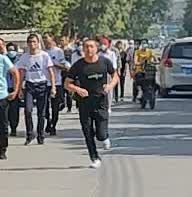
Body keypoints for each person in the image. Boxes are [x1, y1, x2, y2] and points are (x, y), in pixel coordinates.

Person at [65, 37, 118, 168]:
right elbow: (67, 83)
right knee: (88, 132)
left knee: (100, 134)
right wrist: (78, 89)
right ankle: (94, 158)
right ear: (83, 49)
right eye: (86, 47)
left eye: (91, 46)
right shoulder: (78, 65)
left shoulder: (104, 62)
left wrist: (110, 86)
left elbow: (115, 76)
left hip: (101, 101)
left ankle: (104, 137)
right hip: (84, 103)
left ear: (96, 48)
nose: (89, 49)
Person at [14, 34, 54, 145]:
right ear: (27, 44)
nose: (32, 44)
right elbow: (21, 73)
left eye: (34, 42)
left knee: (41, 113)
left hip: (42, 85)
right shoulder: (24, 57)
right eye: (30, 42)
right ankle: (30, 134)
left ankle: (40, 135)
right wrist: (19, 89)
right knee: (28, 110)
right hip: (30, 85)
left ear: (38, 43)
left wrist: (53, 87)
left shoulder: (44, 55)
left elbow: (50, 71)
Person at [46, 34, 68, 132]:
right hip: (44, 82)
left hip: (56, 82)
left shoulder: (58, 51)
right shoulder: (42, 52)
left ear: (52, 38)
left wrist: (53, 64)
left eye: (47, 37)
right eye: (43, 38)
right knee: (44, 106)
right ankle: (48, 121)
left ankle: (53, 125)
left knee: (55, 106)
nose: (45, 40)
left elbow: (64, 66)